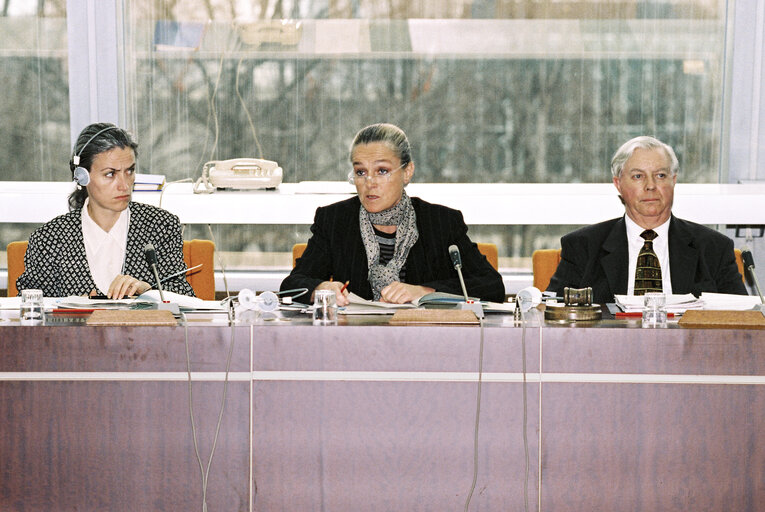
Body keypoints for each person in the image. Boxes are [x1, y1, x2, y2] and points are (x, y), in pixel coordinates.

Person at [281, 123, 505, 306]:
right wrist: (320, 288)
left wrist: (423, 292)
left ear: (407, 172)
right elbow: (292, 285)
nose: (370, 183)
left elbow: (492, 286)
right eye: (360, 172)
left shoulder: (442, 222)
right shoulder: (334, 220)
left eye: (382, 171)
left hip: (426, 342)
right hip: (354, 342)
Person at [546, 135, 747, 304]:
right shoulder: (583, 246)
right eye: (638, 177)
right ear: (618, 184)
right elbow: (553, 311)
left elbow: (742, 321)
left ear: (673, 181)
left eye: (660, 175)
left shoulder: (714, 248)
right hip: (608, 348)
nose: (650, 186)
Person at [16, 122, 194, 298]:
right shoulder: (50, 238)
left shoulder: (160, 225)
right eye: (110, 174)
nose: (124, 185)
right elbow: (30, 304)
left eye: (129, 171)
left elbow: (185, 297)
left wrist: (147, 290)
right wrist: (70, 307)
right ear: (82, 177)